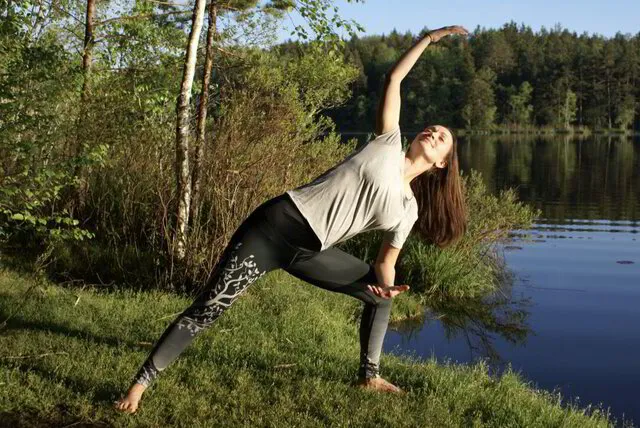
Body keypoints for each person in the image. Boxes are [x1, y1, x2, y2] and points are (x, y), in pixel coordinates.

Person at [115, 25, 468, 413]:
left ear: (441, 163)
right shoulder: (387, 142)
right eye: (432, 129)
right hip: (273, 227)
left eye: (442, 138)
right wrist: (428, 40)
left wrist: (387, 287)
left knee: (377, 298)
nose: (433, 133)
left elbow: (386, 262)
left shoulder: (408, 209)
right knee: (210, 306)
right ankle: (140, 384)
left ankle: (370, 375)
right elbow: (394, 77)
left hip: (309, 250)